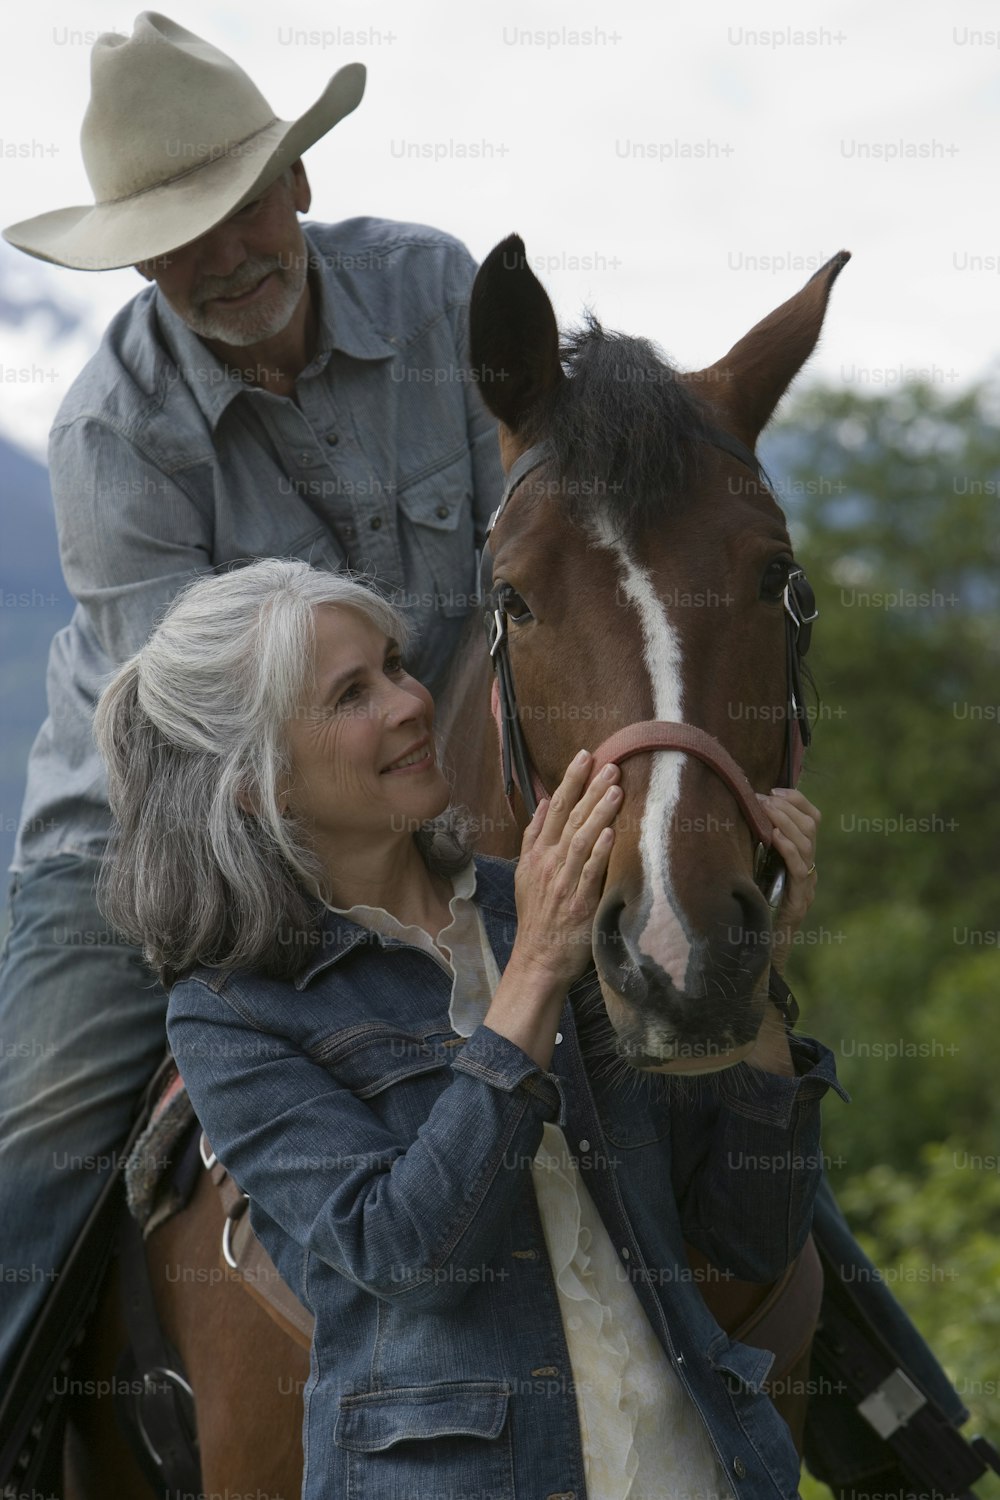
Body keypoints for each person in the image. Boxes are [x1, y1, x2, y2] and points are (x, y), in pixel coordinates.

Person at [93, 558, 842, 1500]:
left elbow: (753, 1235)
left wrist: (760, 983)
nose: (412, 702)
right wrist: (531, 973)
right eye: (351, 693)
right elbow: (409, 1254)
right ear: (263, 785)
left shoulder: (540, 904)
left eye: (397, 665)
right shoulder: (231, 1013)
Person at [0, 11, 502, 1400]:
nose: (222, 257)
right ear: (140, 259)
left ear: (297, 185)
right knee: (39, 1145)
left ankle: (892, 1420)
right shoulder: (114, 431)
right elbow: (214, 741)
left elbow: (534, 571)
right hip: (152, 833)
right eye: (176, 236)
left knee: (682, 1011)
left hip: (435, 774)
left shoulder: (441, 294)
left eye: (238, 207)